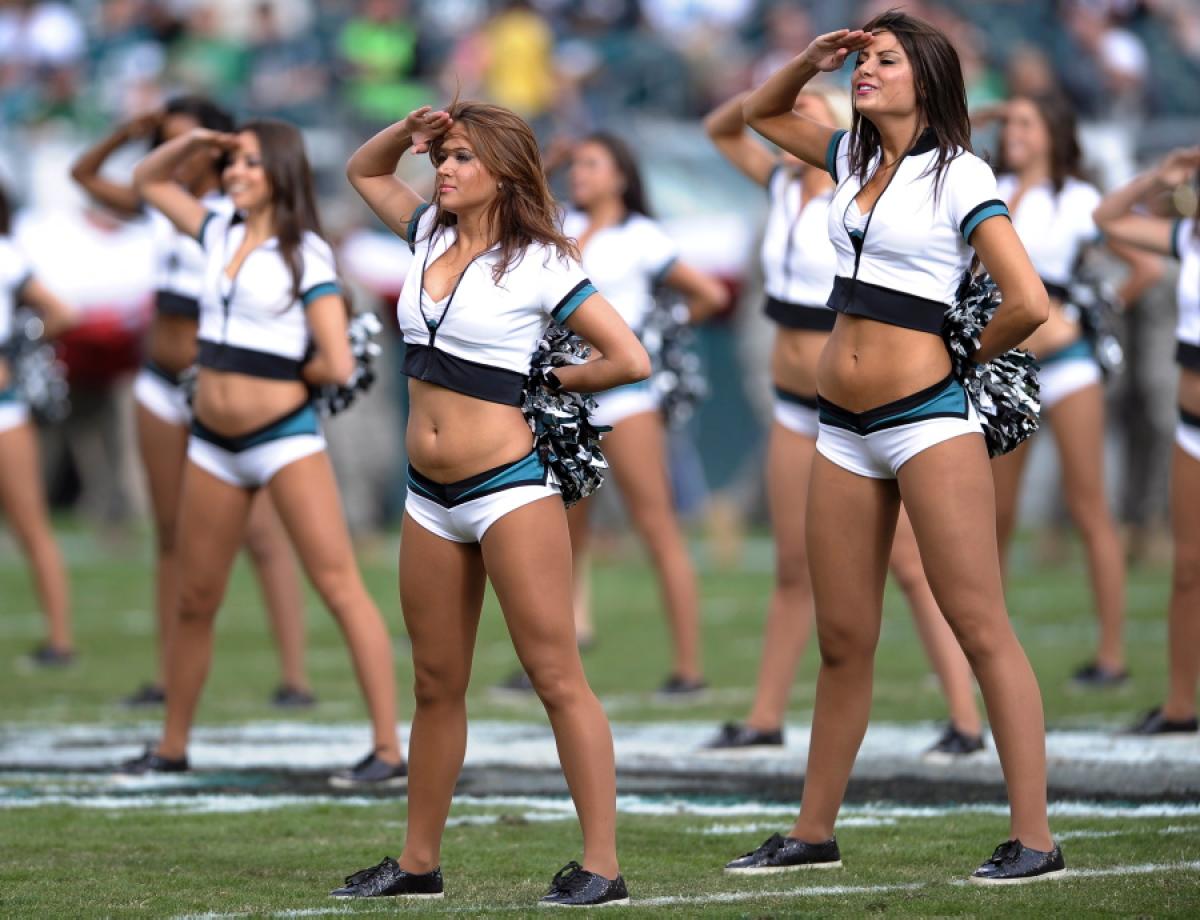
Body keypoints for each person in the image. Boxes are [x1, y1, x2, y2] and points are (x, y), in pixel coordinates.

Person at [724, 12, 1063, 884]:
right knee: (843, 637)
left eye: (884, 60)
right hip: (840, 427)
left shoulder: (961, 172)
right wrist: (809, 60)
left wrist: (960, 359)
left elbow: (1028, 301)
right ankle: (813, 832)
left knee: (979, 624)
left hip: (926, 419)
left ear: (928, 78)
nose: (865, 70)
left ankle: (1035, 838)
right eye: (862, 59)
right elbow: (761, 115)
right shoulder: (851, 157)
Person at [335, 102, 646, 906]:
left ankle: (603, 866)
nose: (443, 169)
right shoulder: (425, 234)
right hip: (427, 497)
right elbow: (364, 170)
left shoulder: (541, 262)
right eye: (441, 156)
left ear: (504, 172)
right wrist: (407, 133)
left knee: (555, 674)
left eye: (462, 157)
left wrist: (546, 381)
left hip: (508, 488)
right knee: (435, 682)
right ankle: (418, 864)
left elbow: (629, 357)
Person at [115, 118, 405, 787]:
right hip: (211, 445)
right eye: (233, 162)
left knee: (338, 586)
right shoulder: (216, 227)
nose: (235, 173)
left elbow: (336, 361)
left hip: (282, 439)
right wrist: (200, 143)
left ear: (280, 170)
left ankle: (389, 749)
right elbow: (147, 179)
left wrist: (276, 382)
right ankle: (172, 745)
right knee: (196, 597)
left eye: (249, 162)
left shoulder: (305, 252)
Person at [702, 87, 985, 760]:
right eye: (793, 110)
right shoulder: (778, 183)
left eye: (812, 112)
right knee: (792, 565)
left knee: (910, 565)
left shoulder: (855, 184)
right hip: (793, 402)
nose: (796, 119)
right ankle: (765, 716)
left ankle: (966, 717)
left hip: (864, 403)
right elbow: (722, 126)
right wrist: (788, 78)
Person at [70, 97, 316, 709]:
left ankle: (295, 677)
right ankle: (166, 676)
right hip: (160, 385)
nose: (174, 153)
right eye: (166, 142)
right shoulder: (163, 205)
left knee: (263, 536)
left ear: (222, 147)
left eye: (188, 141)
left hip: (224, 390)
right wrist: (126, 132)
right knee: (170, 534)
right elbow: (84, 176)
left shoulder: (239, 214)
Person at [985, 93, 1149, 688]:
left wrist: (1089, 316)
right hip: (1007, 365)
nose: (1015, 132)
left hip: (1068, 362)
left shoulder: (1078, 199)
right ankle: (988, 653)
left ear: (1053, 133)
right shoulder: (989, 187)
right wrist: (992, 115)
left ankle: (1111, 656)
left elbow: (1146, 267)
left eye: (1027, 123)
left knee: (1088, 506)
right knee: (997, 513)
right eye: (1010, 122)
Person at [562, 132, 727, 695]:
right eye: (576, 163)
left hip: (626, 399)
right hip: (567, 398)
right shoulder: (560, 227)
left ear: (620, 176)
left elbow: (709, 295)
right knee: (562, 537)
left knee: (656, 528)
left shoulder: (640, 236)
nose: (579, 173)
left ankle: (689, 669)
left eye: (591, 163)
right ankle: (559, 658)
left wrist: (656, 335)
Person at [1094, 144, 1200, 735]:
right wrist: (1158, 176)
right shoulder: (1187, 238)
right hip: (1190, 428)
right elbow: (1107, 219)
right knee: (1187, 569)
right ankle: (1180, 706)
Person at [0, 184, 77, 667]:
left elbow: (63, 312)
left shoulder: (5, 255)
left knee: (30, 523)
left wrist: (15, 348)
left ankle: (60, 641)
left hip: (4, 409)